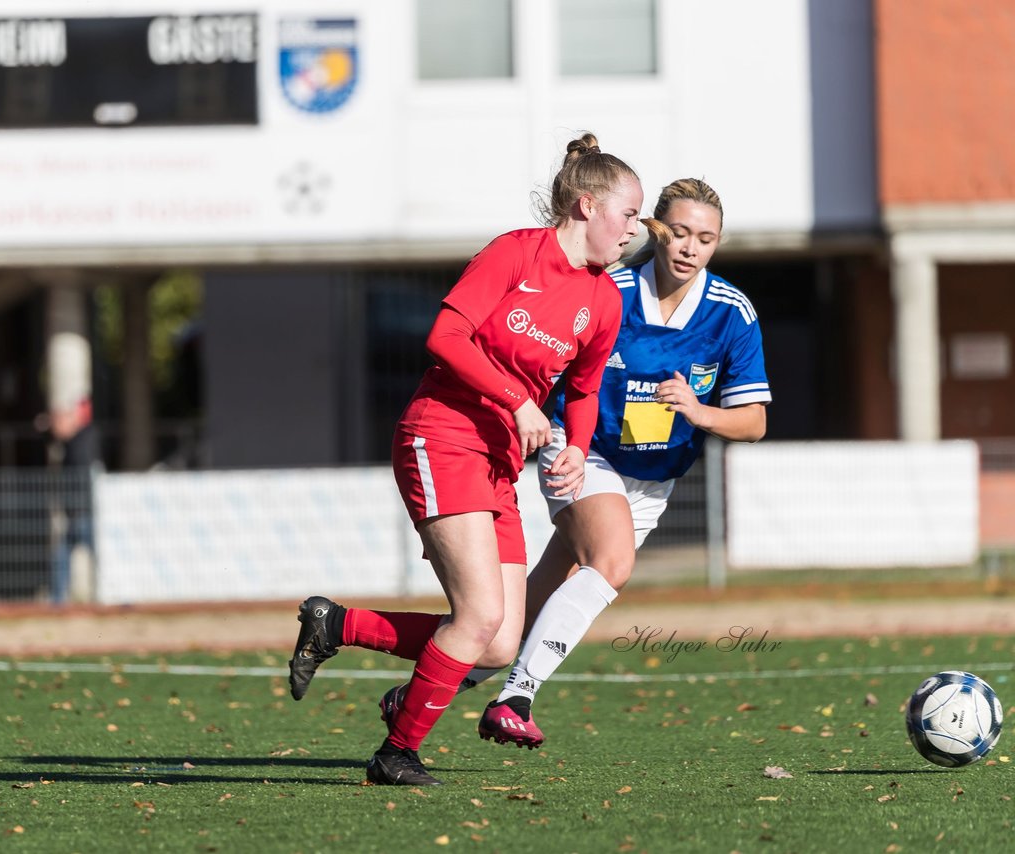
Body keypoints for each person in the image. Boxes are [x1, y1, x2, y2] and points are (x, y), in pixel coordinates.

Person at [287, 132, 645, 786]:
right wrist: (517, 401)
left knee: (501, 640)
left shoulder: (604, 299)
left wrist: (577, 449)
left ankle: (335, 624)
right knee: (479, 617)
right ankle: (396, 753)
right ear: (587, 206)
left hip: (498, 461)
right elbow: (444, 335)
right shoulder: (516, 253)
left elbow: (587, 389)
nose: (634, 232)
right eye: (628, 215)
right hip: (441, 434)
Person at [378, 178, 770, 748]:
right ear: (657, 230)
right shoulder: (606, 285)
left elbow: (754, 422)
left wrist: (699, 411)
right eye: (680, 232)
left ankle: (413, 696)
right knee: (611, 562)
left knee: (521, 617)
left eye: (705, 238)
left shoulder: (730, 312)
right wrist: (528, 414)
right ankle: (517, 697)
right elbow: (545, 364)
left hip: (652, 482)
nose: (690, 247)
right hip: (584, 452)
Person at [42, 396, 100, 606]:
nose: (55, 426)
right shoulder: (74, 442)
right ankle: (58, 600)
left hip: (82, 512)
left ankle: (59, 600)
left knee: (97, 555)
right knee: (62, 555)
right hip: (79, 513)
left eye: (58, 420)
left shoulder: (81, 442)